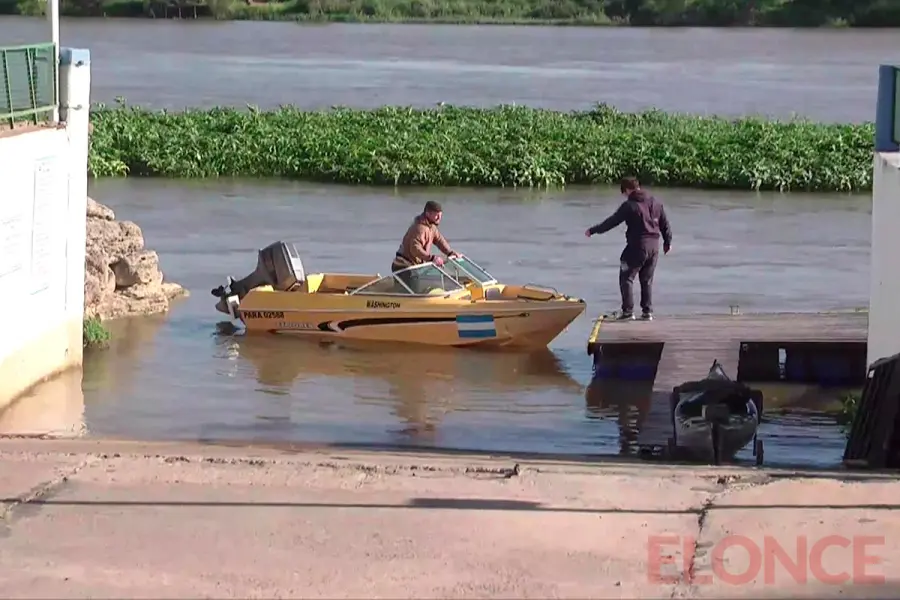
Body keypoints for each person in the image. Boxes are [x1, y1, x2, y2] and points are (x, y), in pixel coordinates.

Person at [584, 177, 672, 321]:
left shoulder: (629, 205)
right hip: (654, 247)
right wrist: (667, 242)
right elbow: (665, 224)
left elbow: (611, 222)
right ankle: (647, 312)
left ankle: (628, 312)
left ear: (626, 190)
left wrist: (592, 230)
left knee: (626, 277)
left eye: (624, 192)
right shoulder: (656, 202)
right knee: (647, 280)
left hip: (638, 246)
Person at [392, 200, 460, 291]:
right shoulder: (419, 228)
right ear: (428, 214)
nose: (439, 218)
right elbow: (415, 249)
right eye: (436, 215)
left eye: (440, 215)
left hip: (416, 267)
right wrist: (432, 258)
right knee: (413, 291)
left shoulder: (431, 227)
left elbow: (439, 240)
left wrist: (450, 252)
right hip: (404, 266)